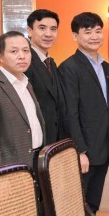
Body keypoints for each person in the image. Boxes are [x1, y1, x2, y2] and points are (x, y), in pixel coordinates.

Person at [60, 12, 109, 214]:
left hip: (102, 149)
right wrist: (80, 151)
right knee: (77, 206)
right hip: (84, 151)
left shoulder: (107, 68)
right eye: (88, 32)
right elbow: (70, 113)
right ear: (75, 36)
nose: (94, 36)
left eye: (98, 31)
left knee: (93, 205)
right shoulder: (69, 68)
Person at [0, 31, 45, 169]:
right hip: (9, 168)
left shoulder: (27, 84)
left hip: (35, 162)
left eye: (26, 51)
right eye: (14, 51)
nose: (22, 56)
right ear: (0, 56)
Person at [25, 9, 67, 146]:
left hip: (52, 141)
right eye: (42, 28)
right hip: (34, 142)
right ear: (30, 31)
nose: (48, 34)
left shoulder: (50, 63)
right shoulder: (24, 61)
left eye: (53, 29)